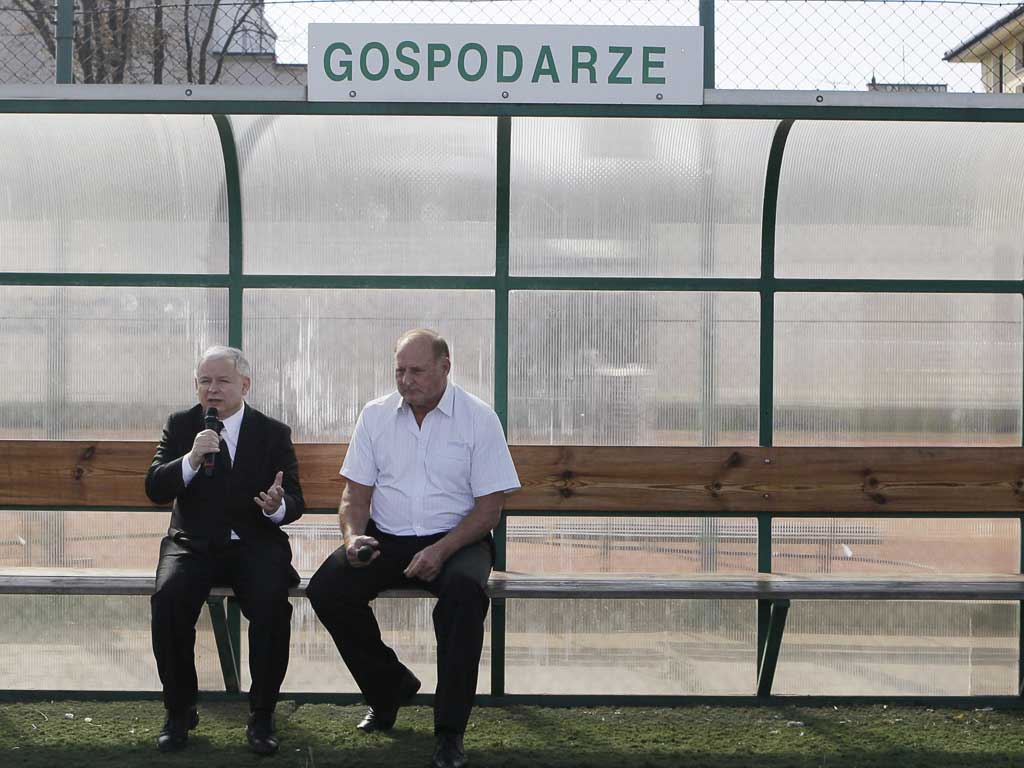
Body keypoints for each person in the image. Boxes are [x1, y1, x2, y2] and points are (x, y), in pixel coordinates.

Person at [307, 329, 520, 768]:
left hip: (459, 539)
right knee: (327, 588)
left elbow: (488, 511)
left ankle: (449, 731)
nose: (406, 380)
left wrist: (440, 551)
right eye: (400, 371)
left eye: (417, 371)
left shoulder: (479, 419)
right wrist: (353, 537)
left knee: (464, 595)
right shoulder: (375, 415)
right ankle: (389, 688)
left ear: (445, 367)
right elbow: (354, 496)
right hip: (388, 537)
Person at [145, 345, 304, 755]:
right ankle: (179, 710)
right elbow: (155, 488)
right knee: (168, 600)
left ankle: (262, 714)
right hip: (192, 544)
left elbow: (294, 500)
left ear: (244, 385)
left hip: (253, 544)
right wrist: (191, 459)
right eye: (205, 381)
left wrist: (276, 506)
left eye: (222, 381)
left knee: (272, 605)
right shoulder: (182, 425)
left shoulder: (272, 432)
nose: (212, 389)